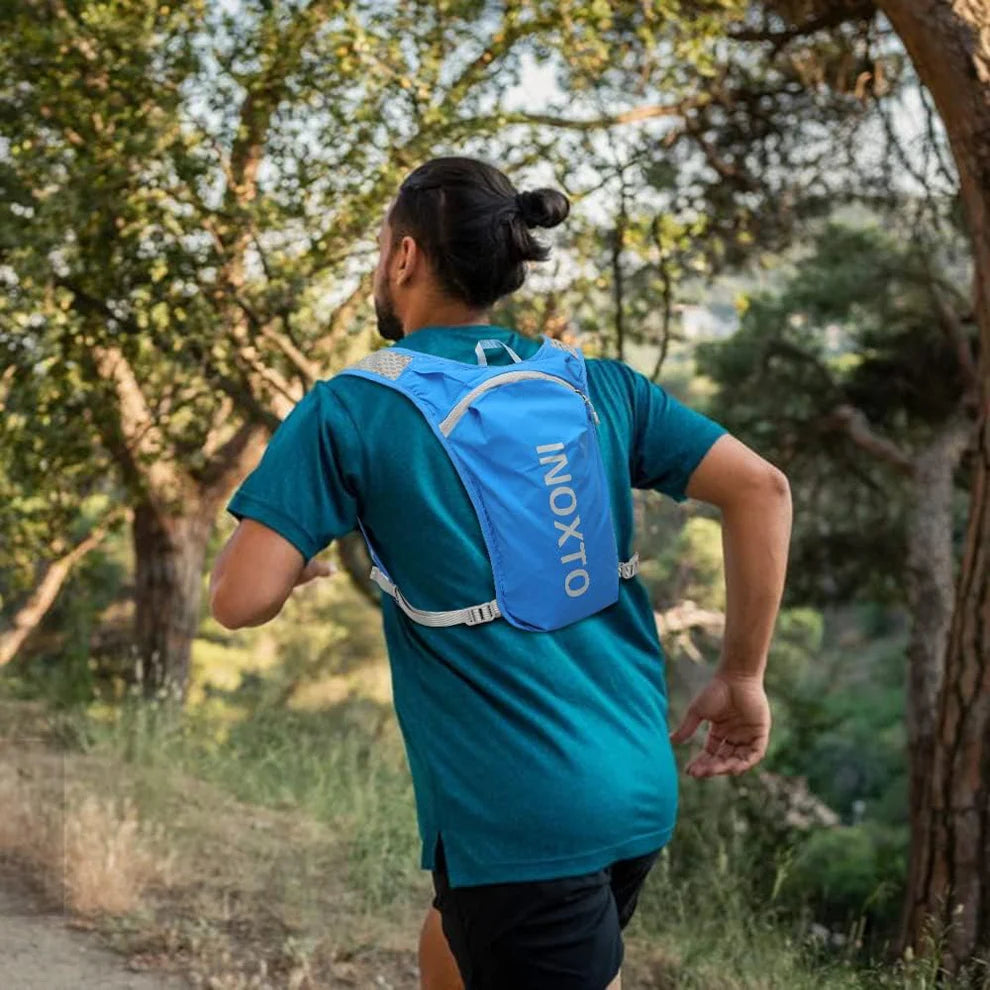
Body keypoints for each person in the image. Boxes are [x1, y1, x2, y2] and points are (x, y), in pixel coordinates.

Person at [209, 156, 792, 990]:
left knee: (501, 930)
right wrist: (741, 675)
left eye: (379, 248)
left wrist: (287, 556)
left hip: (519, 823)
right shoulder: (600, 387)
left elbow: (238, 599)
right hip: (632, 783)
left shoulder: (350, 409)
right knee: (452, 945)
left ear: (404, 257)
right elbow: (762, 490)